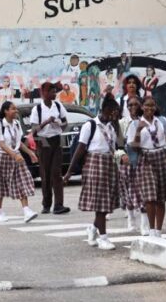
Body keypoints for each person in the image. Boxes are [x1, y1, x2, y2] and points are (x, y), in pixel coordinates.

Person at [64, 96, 121, 250]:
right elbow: (80, 149)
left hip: (109, 164)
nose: (113, 115)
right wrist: (69, 172)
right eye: (111, 112)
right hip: (95, 164)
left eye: (116, 113)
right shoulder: (90, 125)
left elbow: (118, 145)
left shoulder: (111, 126)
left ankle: (93, 229)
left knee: (106, 204)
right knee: (101, 204)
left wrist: (115, 124)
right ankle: (103, 238)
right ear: (104, 110)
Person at [129, 97, 166, 238]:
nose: (150, 108)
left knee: (161, 197)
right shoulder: (135, 124)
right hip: (146, 157)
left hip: (162, 156)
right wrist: (139, 129)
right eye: (147, 106)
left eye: (152, 106)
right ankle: (151, 229)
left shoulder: (161, 121)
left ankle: (159, 231)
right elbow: (134, 146)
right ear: (142, 107)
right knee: (150, 197)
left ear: (155, 107)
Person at [0, 101, 39, 224]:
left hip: (17, 157)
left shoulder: (16, 124)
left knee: (22, 181)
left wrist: (30, 153)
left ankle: (26, 210)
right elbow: (1, 144)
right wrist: (14, 155)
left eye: (16, 109)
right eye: (13, 109)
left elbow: (18, 142)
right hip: (3, 158)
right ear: (6, 111)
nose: (16, 111)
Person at [29, 82, 69, 214]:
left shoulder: (58, 105)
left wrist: (59, 123)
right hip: (43, 141)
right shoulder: (37, 109)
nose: (54, 94)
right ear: (44, 93)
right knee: (45, 173)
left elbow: (65, 124)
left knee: (56, 173)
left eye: (55, 91)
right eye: (51, 92)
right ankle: (46, 204)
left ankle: (59, 205)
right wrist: (46, 122)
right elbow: (34, 130)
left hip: (57, 140)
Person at [118, 95, 146, 234]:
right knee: (128, 191)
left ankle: (144, 222)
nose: (133, 107)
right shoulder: (122, 123)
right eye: (130, 105)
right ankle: (131, 218)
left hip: (143, 159)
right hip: (127, 160)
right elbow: (116, 144)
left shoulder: (145, 120)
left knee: (143, 191)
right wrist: (121, 155)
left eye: (136, 104)